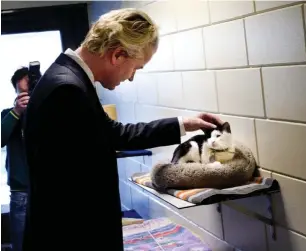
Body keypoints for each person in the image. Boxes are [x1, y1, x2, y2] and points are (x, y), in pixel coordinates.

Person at [21, 8, 223, 251]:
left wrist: (183, 124)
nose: (131, 78)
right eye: (136, 68)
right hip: (69, 236)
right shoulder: (68, 90)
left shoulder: (67, 79)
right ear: (118, 55)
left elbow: (112, 134)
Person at [1, 67, 31, 251]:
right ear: (16, 93)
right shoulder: (8, 115)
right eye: (23, 93)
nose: (28, 97)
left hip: (51, 191)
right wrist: (17, 111)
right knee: (22, 245)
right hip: (21, 194)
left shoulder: (48, 113)